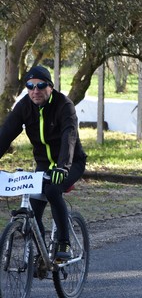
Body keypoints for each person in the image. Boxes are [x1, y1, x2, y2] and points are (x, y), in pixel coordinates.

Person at [0, 65, 87, 260]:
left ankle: (64, 241)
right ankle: (42, 257)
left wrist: (63, 167)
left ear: (50, 87)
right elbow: (6, 133)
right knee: (33, 209)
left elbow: (69, 136)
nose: (35, 91)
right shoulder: (24, 106)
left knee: (53, 190)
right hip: (43, 164)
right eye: (30, 86)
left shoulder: (64, 105)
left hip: (71, 163)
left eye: (40, 86)